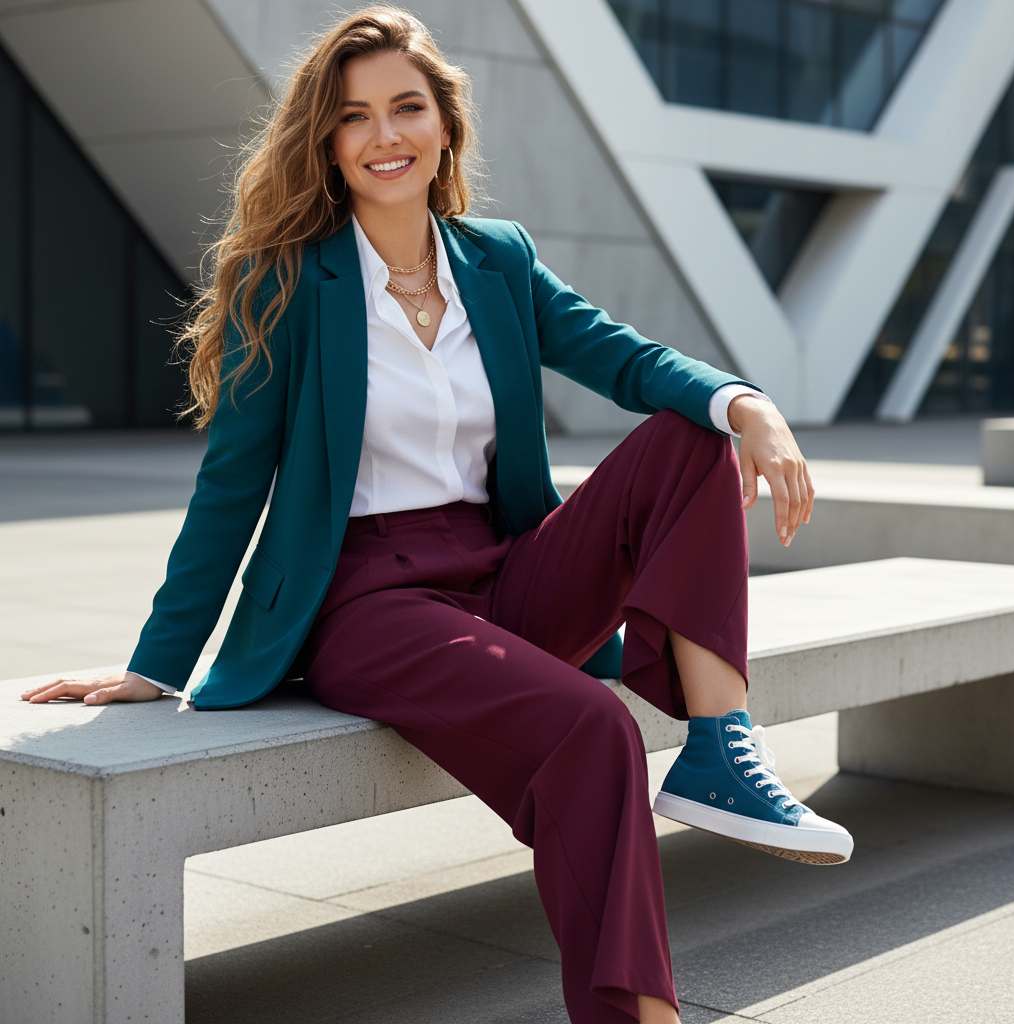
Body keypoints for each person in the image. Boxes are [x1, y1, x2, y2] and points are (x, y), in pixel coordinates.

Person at [22, 7, 852, 1022]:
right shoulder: (285, 280)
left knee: (692, 430)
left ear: (444, 127)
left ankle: (722, 747)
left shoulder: (496, 261)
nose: (385, 136)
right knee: (594, 728)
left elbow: (628, 360)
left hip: (504, 569)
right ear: (326, 143)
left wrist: (748, 404)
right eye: (355, 117)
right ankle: (640, 1014)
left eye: (406, 108)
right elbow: (231, 484)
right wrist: (157, 662)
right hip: (367, 598)